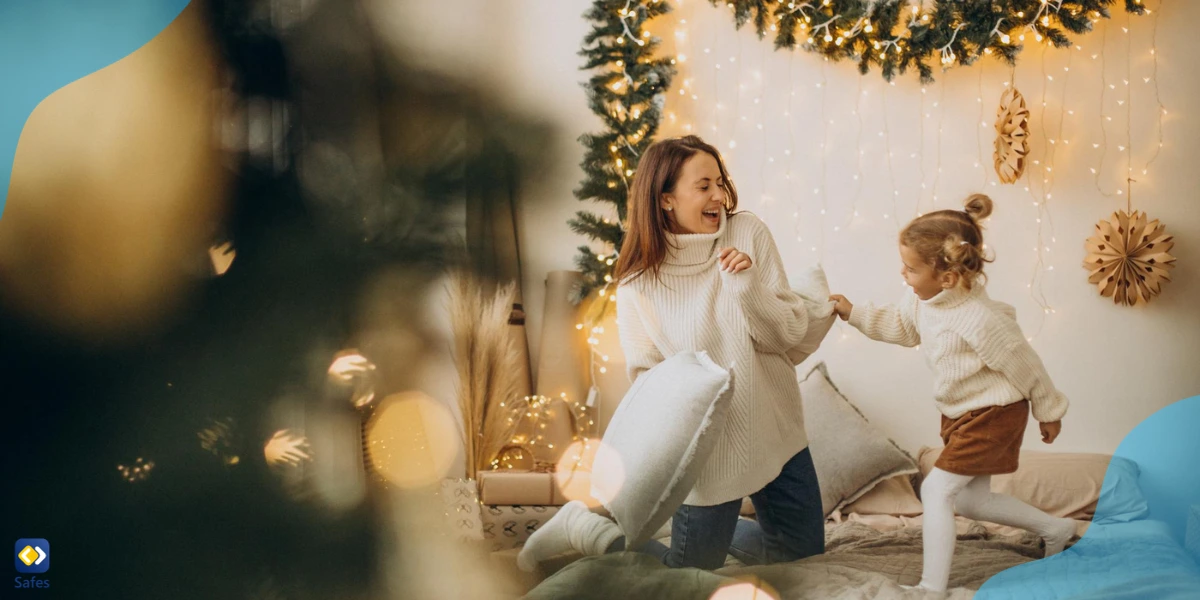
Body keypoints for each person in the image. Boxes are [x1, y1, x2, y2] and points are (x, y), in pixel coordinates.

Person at [518, 135, 824, 572]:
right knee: (686, 576)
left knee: (805, 559)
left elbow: (788, 335)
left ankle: (705, 533)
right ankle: (586, 528)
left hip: (775, 425)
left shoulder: (748, 233)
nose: (719, 196)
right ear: (665, 199)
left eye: (720, 182)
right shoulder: (639, 283)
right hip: (706, 450)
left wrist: (748, 289)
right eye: (703, 186)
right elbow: (650, 380)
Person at [829, 193, 1076, 592]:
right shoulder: (923, 301)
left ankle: (931, 587)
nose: (903, 275)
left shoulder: (980, 319)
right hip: (962, 413)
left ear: (946, 277)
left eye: (910, 269)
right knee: (970, 502)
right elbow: (901, 326)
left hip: (996, 413)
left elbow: (1025, 365)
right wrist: (854, 313)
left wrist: (1049, 410)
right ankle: (1056, 528)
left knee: (936, 489)